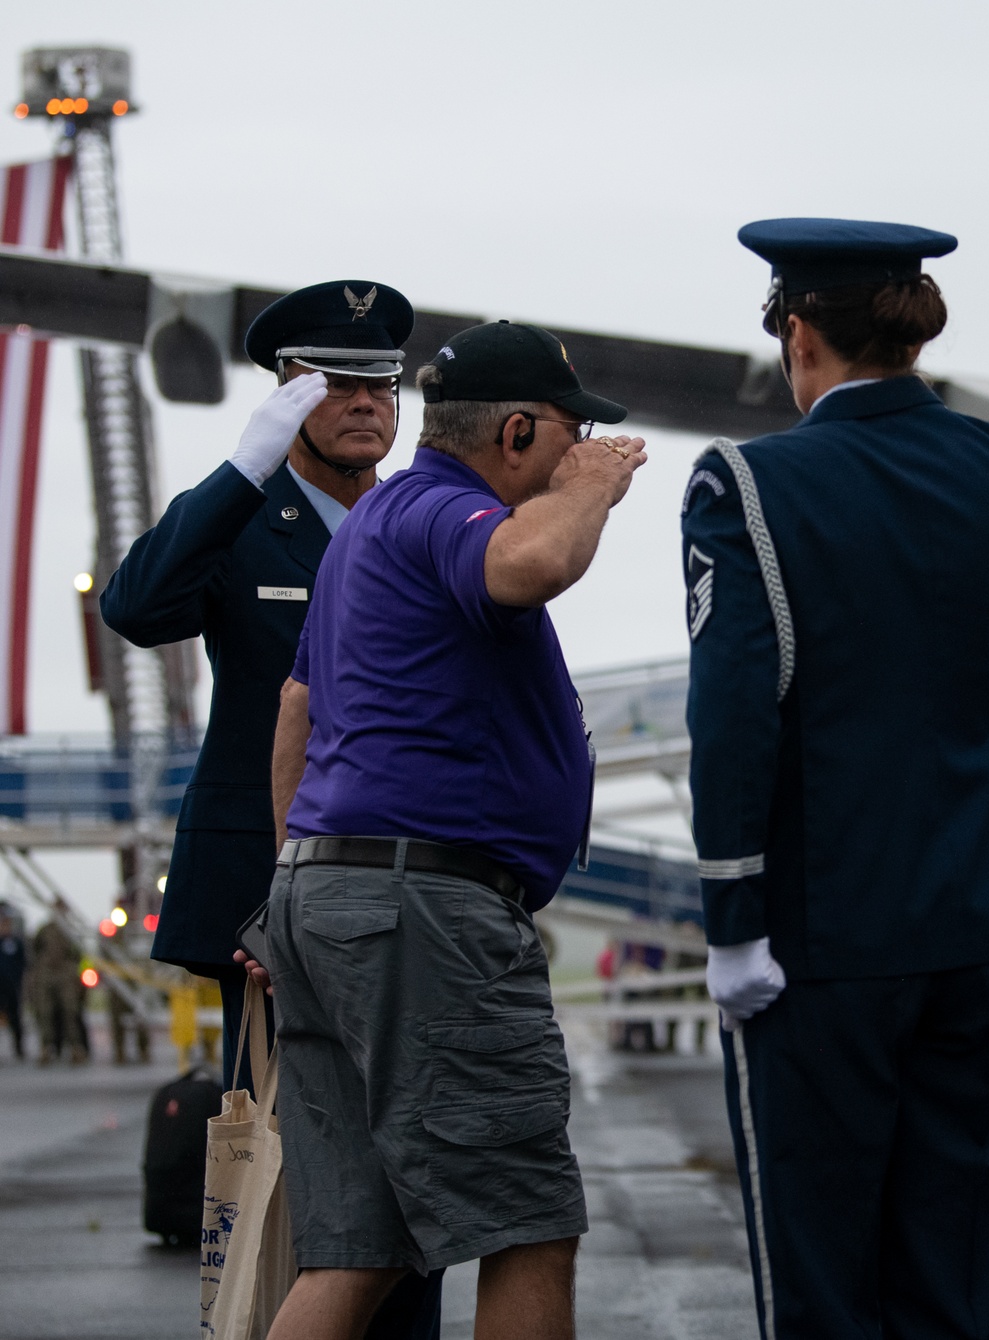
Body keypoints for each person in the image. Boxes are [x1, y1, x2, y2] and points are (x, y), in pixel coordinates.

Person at [249, 319, 646, 1340]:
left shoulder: (371, 531)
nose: (582, 448)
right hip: (427, 907)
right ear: (517, 430)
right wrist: (591, 487)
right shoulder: (442, 512)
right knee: (526, 1227)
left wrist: (301, 869)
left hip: (336, 894)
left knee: (359, 1246)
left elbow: (297, 708)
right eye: (570, 431)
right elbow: (531, 564)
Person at [682, 218, 989, 1340]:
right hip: (975, 929)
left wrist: (731, 916)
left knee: (821, 1284)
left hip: (818, 948)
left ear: (798, 334)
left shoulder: (751, 483)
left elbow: (732, 714)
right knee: (957, 1279)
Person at [101, 279, 413, 1085]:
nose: (364, 404)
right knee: (277, 1135)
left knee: (405, 1132)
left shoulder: (417, 524)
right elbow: (136, 608)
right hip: (265, 884)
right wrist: (245, 468)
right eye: (336, 383)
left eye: (380, 384)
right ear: (288, 389)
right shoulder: (240, 519)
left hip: (404, 867)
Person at [31, 917, 87, 1064]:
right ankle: (47, 1047)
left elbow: (78, 952)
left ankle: (75, 1047)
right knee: (45, 1012)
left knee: (70, 1011)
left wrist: (74, 971)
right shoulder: (45, 929)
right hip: (47, 973)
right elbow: (35, 948)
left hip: (65, 973)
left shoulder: (70, 929)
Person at [0, 910, 26, 1060]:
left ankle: (19, 1048)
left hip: (12, 986)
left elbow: (22, 963)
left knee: (15, 1017)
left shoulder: (16, 943)